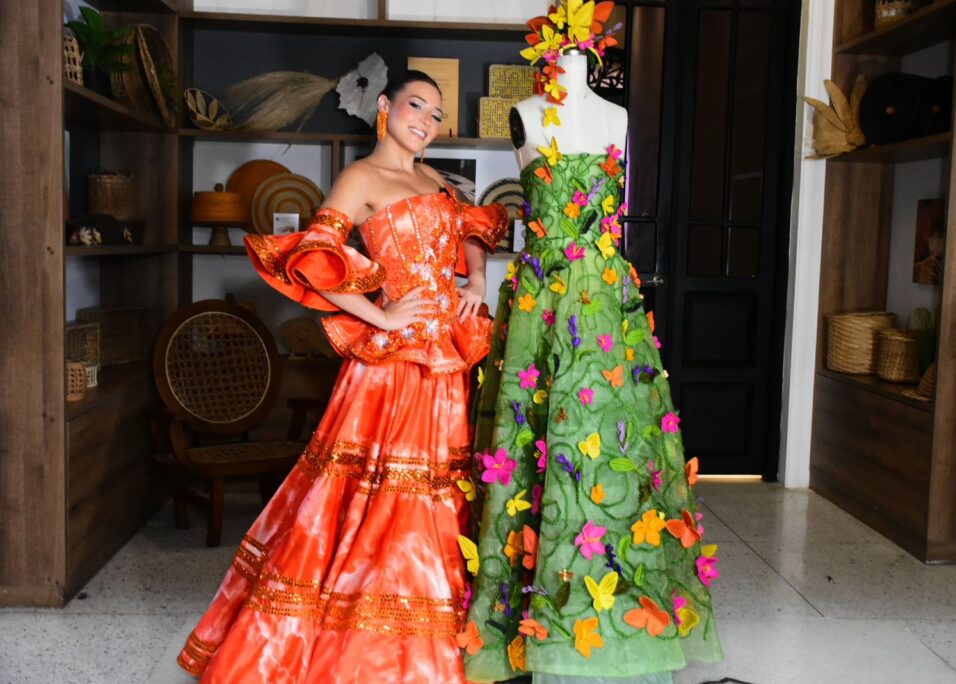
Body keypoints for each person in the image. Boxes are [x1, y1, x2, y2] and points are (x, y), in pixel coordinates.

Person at [177, 70, 508, 683]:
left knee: (438, 492)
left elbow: (472, 228)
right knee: (376, 494)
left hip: (446, 360)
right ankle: (369, 649)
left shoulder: (436, 180)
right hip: (391, 368)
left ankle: (431, 634)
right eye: (417, 106)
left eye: (436, 115)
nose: (426, 122)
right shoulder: (361, 178)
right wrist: (381, 314)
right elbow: (312, 258)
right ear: (384, 106)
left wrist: (478, 280)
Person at [459, 3, 722, 682]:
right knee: (534, 434)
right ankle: (529, 613)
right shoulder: (524, 115)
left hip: (605, 298)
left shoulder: (618, 117)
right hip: (541, 296)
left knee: (608, 434)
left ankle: (615, 598)